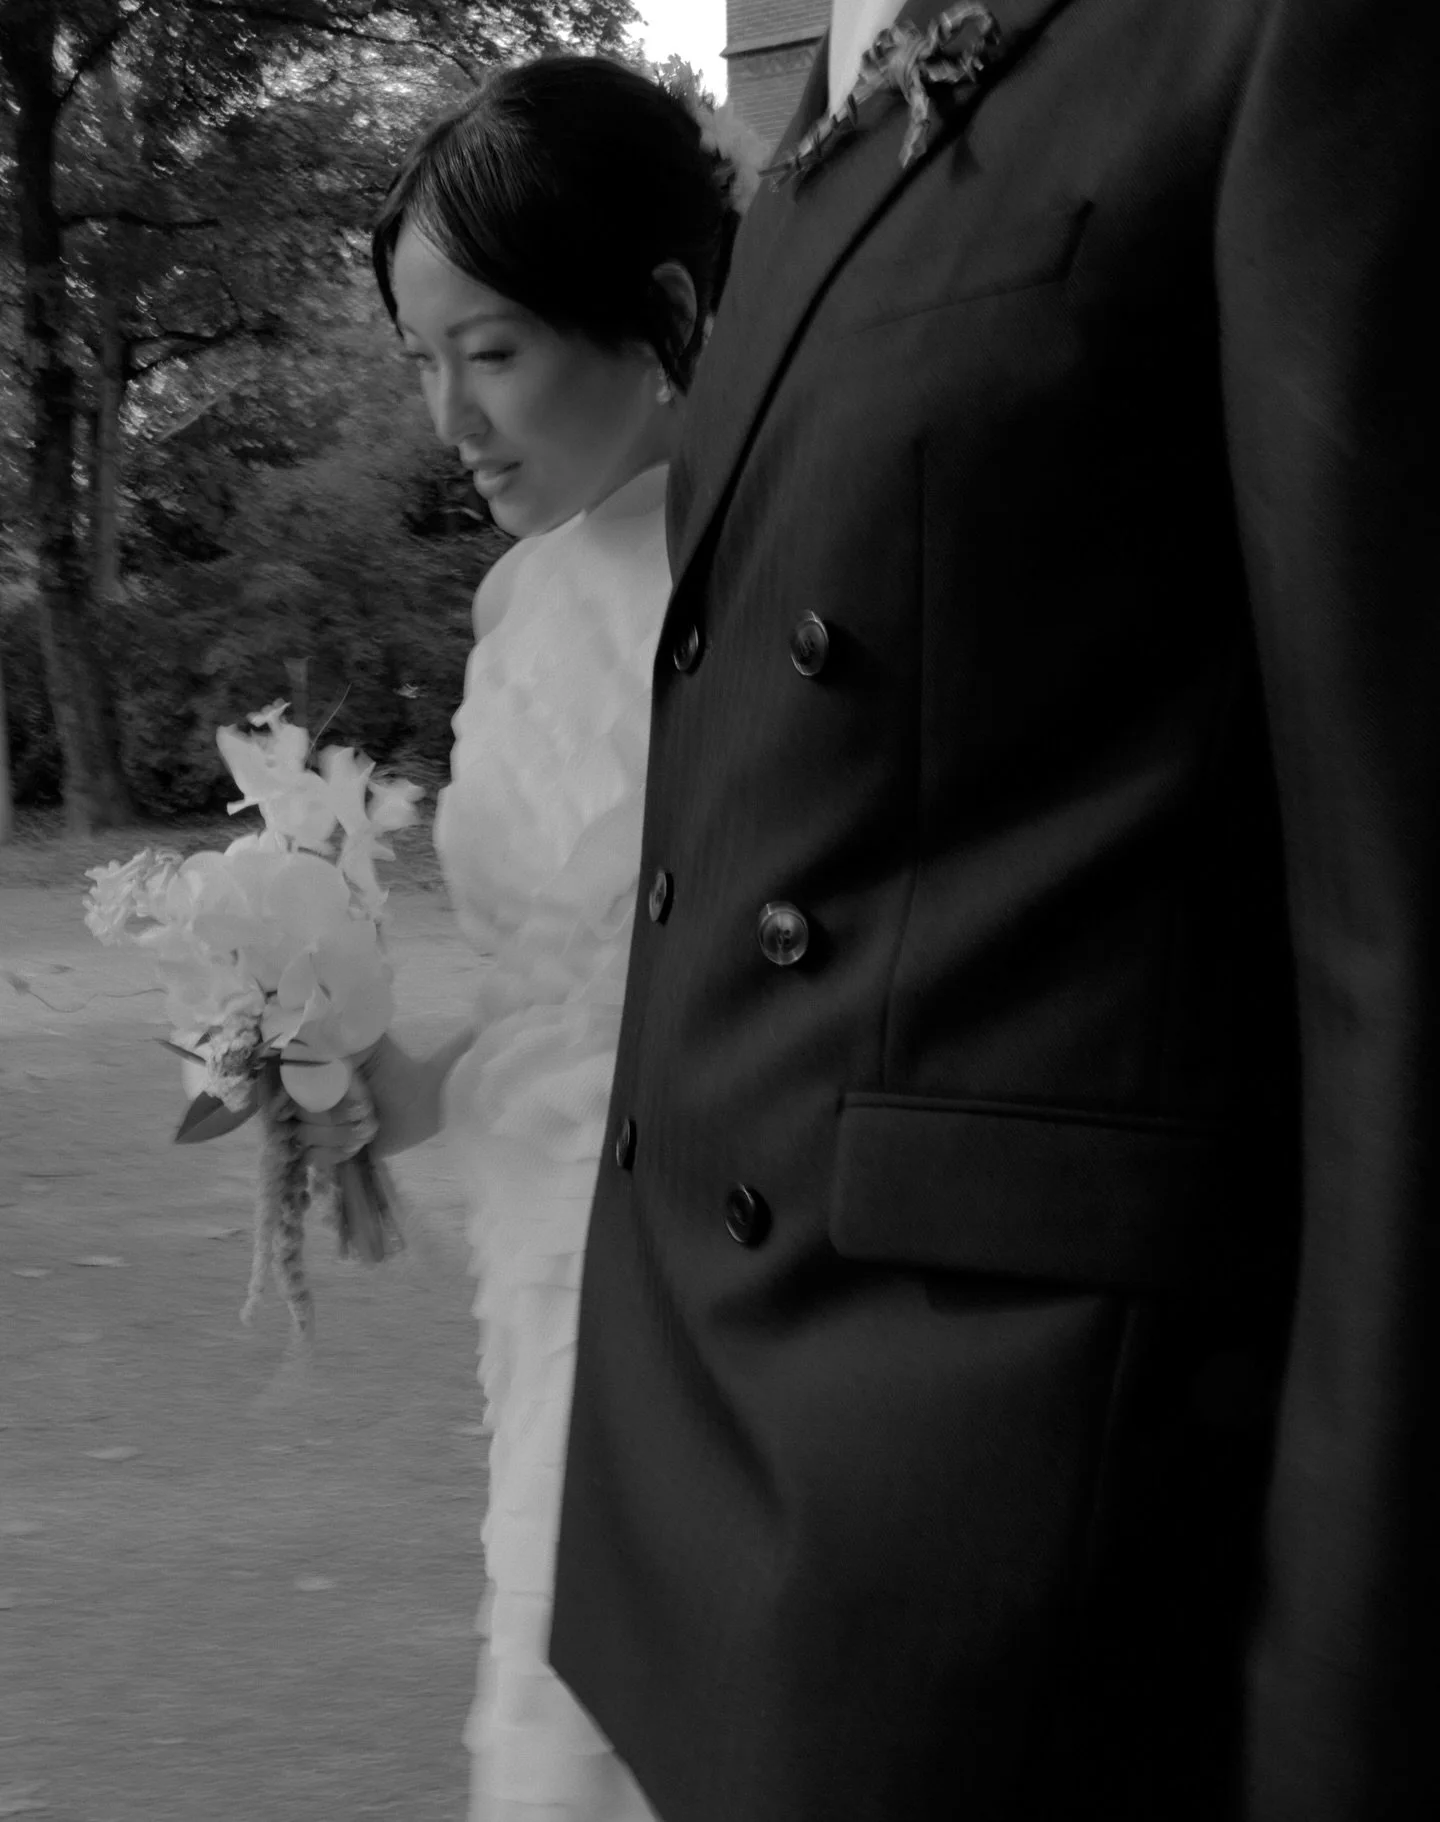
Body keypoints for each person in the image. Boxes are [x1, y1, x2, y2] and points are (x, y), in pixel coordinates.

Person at [550, 2, 1440, 1819]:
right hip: (709, 1491)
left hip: (1020, 1551)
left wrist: (1361, 1706)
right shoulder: (816, 153)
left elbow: (1401, 942)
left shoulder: (1288, 44)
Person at [349, 56, 740, 1822]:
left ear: (659, 310)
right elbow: (546, 999)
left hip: (711, 1312)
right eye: (420, 362)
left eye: (490, 352)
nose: (450, 422)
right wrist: (368, 1087)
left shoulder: (772, 585)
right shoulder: (518, 600)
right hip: (540, 1298)